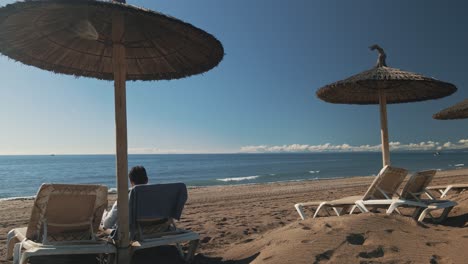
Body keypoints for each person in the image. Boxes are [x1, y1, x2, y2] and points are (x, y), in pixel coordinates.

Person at [101, 166, 148, 230]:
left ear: (131, 182)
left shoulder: (125, 199)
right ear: (147, 180)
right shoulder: (156, 196)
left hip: (131, 232)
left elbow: (107, 224)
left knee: (105, 215)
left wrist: (103, 216)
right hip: (153, 229)